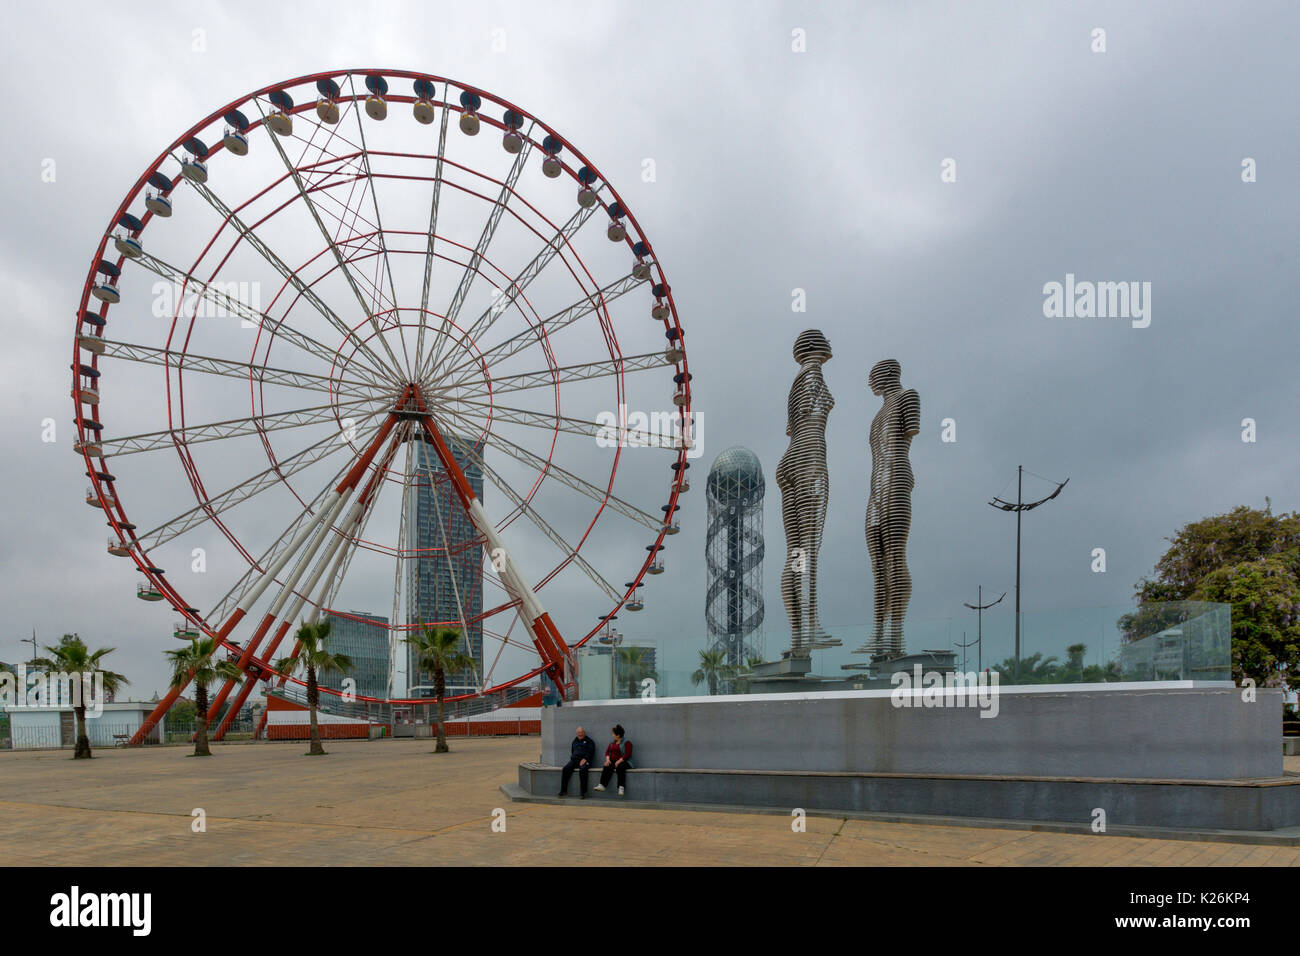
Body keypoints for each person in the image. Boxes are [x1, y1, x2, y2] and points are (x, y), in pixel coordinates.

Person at [594, 724, 633, 796]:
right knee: (606, 766)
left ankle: (621, 787)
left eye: (613, 734)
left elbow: (628, 754)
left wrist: (619, 761)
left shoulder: (627, 742)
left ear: (618, 735)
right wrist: (607, 760)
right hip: (613, 761)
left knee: (620, 767)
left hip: (625, 761)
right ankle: (602, 785)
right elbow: (607, 752)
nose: (612, 735)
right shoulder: (612, 743)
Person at [558, 726, 596, 798]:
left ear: (584, 733)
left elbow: (591, 751)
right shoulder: (574, 741)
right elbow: (573, 751)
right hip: (575, 760)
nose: (580, 734)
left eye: (581, 732)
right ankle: (563, 790)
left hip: (585, 761)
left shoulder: (589, 741)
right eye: (578, 733)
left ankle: (583, 792)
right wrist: (573, 758)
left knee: (583, 770)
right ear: (576, 733)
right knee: (565, 769)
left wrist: (585, 758)